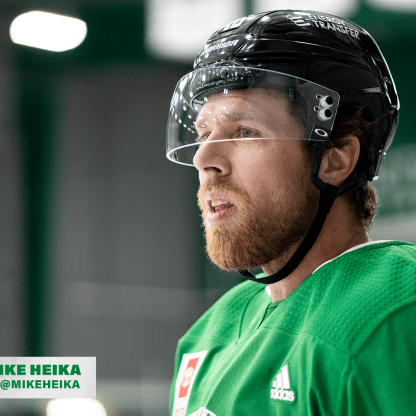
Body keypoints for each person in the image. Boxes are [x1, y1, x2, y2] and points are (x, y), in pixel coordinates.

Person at [165, 10, 416, 416]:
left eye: (245, 131)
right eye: (203, 134)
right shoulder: (207, 337)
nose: (204, 158)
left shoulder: (393, 314)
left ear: (335, 160)